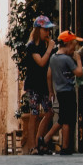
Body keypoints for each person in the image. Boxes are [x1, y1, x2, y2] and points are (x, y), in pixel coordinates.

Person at [44, 30, 83, 155]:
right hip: (68, 91)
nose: (75, 48)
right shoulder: (67, 59)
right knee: (67, 120)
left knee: (62, 119)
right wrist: (79, 60)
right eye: (74, 45)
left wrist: (51, 91)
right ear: (68, 44)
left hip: (60, 91)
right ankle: (65, 146)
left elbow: (49, 75)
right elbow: (79, 73)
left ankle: (45, 139)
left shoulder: (54, 58)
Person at [23, 16, 57, 154]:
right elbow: (41, 62)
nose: (48, 33)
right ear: (38, 30)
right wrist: (49, 49)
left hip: (44, 85)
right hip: (33, 84)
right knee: (34, 114)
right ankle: (32, 147)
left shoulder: (45, 45)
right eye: (45, 30)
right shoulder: (32, 46)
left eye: (49, 30)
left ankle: (39, 141)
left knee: (49, 112)